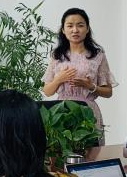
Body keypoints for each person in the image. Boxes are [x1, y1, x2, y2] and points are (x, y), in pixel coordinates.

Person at [41, 8, 116, 142]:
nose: (75, 30)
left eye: (80, 25)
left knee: (90, 151)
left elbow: (108, 92)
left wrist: (90, 86)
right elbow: (47, 91)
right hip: (61, 111)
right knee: (61, 151)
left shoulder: (97, 55)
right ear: (63, 30)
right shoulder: (57, 55)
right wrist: (58, 80)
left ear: (87, 29)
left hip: (88, 112)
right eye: (70, 26)